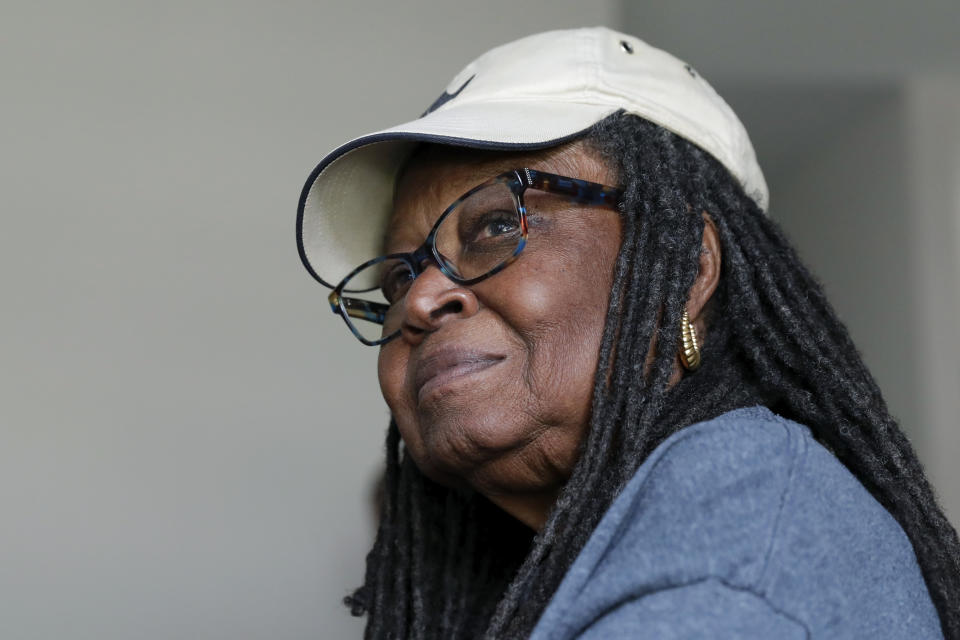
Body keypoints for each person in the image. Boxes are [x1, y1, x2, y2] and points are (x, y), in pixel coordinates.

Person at [296, 27, 959, 639]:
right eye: (396, 281)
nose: (420, 299)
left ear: (685, 267)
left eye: (497, 224)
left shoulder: (725, 580)